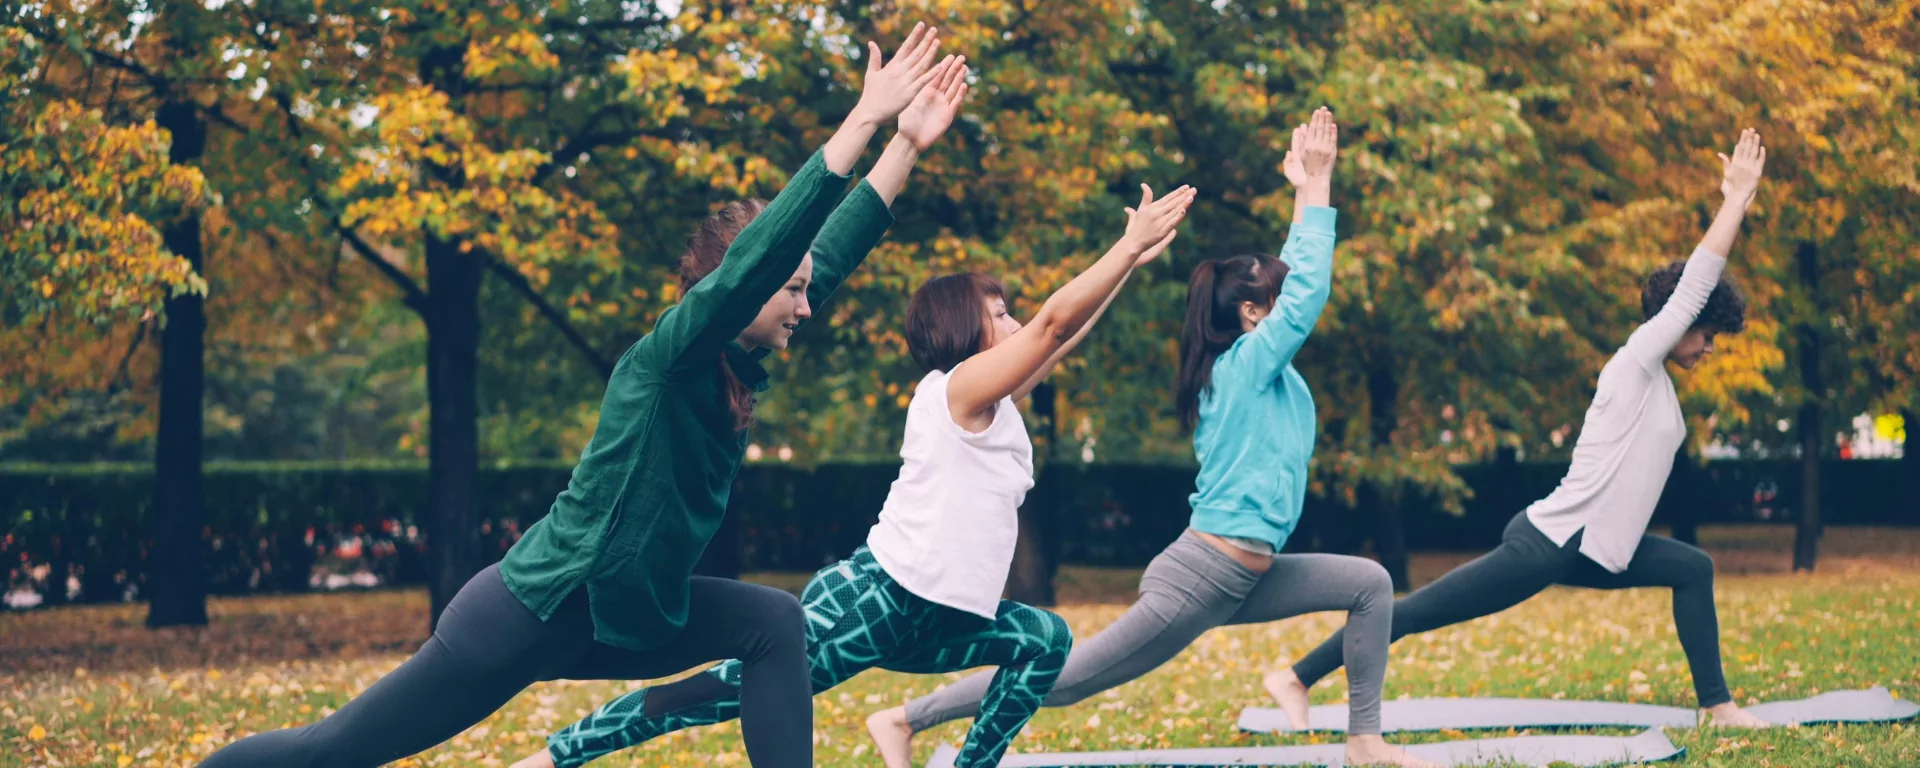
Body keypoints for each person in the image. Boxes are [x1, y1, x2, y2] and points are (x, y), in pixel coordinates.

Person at [199, 25, 954, 768]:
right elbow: (761, 262)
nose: (806, 306)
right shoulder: (673, 354)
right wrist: (862, 119)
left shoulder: (733, 359)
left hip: (625, 617)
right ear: (744, 284)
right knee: (333, 751)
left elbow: (823, 253)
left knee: (773, 622)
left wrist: (905, 147)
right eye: (791, 290)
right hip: (528, 613)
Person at [511, 177, 1198, 768]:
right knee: (718, 693)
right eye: (1000, 314)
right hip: (875, 601)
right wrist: (1125, 248)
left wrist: (1129, 262)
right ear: (965, 331)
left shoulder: (996, 402)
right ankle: (558, 754)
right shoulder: (955, 391)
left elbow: (1059, 338)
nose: (1017, 322)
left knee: (1045, 641)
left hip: (942, 616)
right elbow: (1051, 326)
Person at [871, 108, 1435, 768]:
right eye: (1273, 306)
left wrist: (1306, 190)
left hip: (1248, 572)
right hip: (1207, 574)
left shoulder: (1261, 367)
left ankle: (1365, 742)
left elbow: (1289, 282)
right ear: (1251, 316)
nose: (1288, 312)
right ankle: (905, 719)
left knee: (1369, 584)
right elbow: (1303, 290)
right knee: (1070, 680)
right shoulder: (1244, 367)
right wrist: (1321, 182)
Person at [1267, 128, 1774, 730]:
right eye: (1706, 334)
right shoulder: (1637, 361)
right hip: (1549, 543)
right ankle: (1296, 676)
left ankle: (1718, 706)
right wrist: (1734, 202)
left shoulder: (1657, 385)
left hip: (1597, 551)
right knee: (1421, 611)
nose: (1709, 347)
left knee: (1693, 568)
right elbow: (1694, 287)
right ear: (1676, 321)